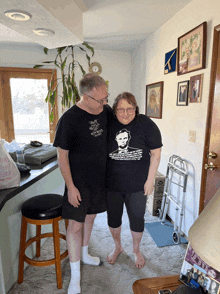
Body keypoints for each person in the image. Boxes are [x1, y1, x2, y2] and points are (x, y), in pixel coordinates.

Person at [53, 73, 112, 294]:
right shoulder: (69, 119)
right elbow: (62, 157)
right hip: (78, 184)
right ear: (86, 97)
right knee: (74, 227)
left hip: (99, 180)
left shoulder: (104, 111)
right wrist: (71, 187)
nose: (106, 103)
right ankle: (75, 277)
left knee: (91, 217)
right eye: (101, 99)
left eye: (106, 97)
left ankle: (85, 254)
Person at [106, 92, 162, 269]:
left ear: (135, 109)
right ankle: (118, 247)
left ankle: (136, 250)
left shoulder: (145, 123)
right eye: (121, 109)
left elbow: (156, 154)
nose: (125, 113)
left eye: (130, 108)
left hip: (138, 185)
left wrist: (150, 180)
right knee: (113, 220)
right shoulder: (108, 123)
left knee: (137, 219)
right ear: (114, 110)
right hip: (112, 184)